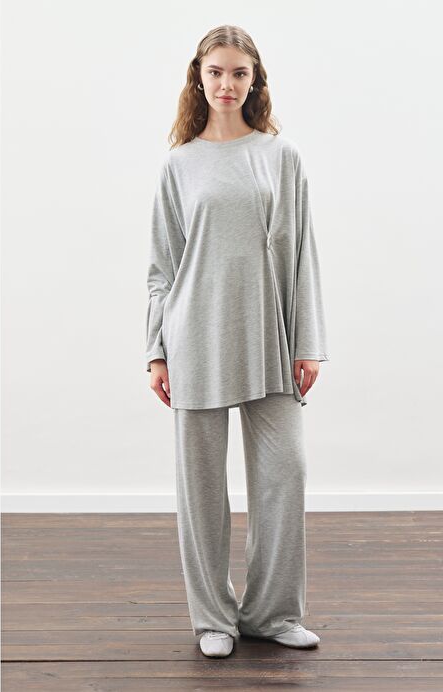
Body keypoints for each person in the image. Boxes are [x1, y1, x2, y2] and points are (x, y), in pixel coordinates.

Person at [145, 25, 329, 658]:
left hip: (270, 337)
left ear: (255, 81)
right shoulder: (179, 163)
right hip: (194, 335)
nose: (227, 84)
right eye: (216, 72)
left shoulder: (282, 155)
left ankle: (273, 613)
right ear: (199, 78)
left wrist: (307, 341)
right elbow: (162, 268)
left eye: (239, 73)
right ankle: (213, 620)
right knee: (201, 486)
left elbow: (303, 255)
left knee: (285, 475)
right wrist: (155, 350)